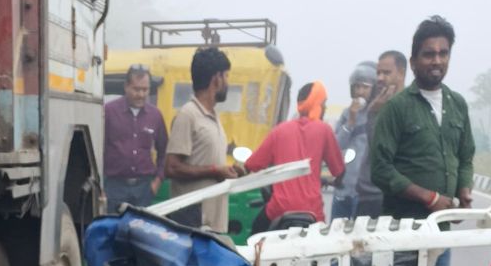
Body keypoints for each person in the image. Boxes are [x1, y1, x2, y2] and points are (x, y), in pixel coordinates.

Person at [371, 16, 475, 266]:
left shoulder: (458, 104)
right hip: (404, 231)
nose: (437, 60)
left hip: (441, 232)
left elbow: (466, 156)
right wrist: (429, 197)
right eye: (429, 54)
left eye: (443, 53)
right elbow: (380, 169)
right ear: (414, 61)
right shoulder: (397, 109)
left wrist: (464, 189)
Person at [244, 81, 345, 231]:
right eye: (323, 103)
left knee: (255, 233)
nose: (324, 107)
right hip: (313, 212)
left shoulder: (279, 131)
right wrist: (336, 181)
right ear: (317, 104)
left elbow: (251, 165)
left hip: (278, 209)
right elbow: (339, 171)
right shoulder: (324, 130)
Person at [164, 47, 242, 231]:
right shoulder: (188, 115)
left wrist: (228, 170)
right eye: (227, 76)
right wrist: (215, 170)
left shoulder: (212, 117)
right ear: (217, 78)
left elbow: (206, 162)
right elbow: (171, 167)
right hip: (193, 224)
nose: (227, 83)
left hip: (212, 223)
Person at [103, 64, 168, 213]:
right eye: (136, 89)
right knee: (114, 232)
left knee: (140, 233)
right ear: (126, 87)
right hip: (114, 188)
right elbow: (98, 150)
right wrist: (101, 187)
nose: (141, 94)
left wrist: (157, 182)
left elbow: (164, 151)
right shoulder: (109, 112)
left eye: (145, 90)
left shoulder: (156, 116)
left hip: (144, 189)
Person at [355, 50, 408, 217]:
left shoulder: (408, 106)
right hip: (367, 195)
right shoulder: (375, 104)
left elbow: (381, 149)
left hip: (392, 195)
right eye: (378, 73)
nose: (379, 78)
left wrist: (374, 114)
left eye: (386, 73)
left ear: (401, 73)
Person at [331, 62, 378, 221]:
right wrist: (350, 122)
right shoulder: (347, 114)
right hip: (343, 189)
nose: (360, 92)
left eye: (365, 87)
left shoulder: (378, 114)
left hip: (364, 193)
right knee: (335, 236)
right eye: (356, 87)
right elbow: (336, 147)